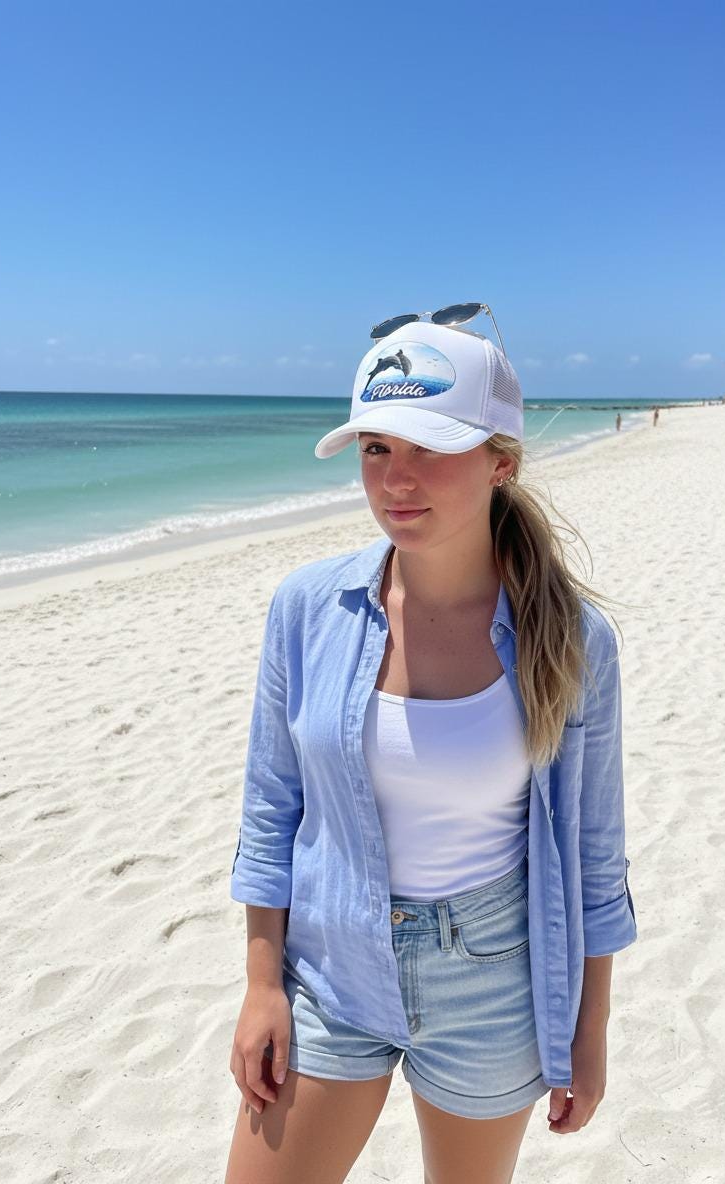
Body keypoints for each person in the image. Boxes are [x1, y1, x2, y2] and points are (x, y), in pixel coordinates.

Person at [224, 309, 637, 1184]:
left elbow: (596, 858)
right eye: (375, 448)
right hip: (331, 962)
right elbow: (272, 808)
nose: (396, 480)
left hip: (494, 978)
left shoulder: (571, 637)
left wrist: (588, 1029)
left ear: (502, 462)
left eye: (430, 447)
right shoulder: (307, 608)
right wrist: (263, 985)